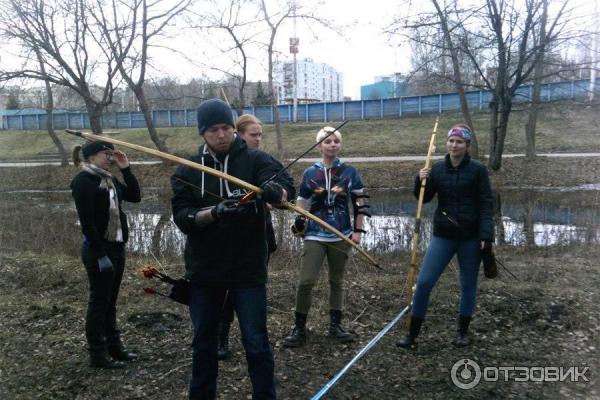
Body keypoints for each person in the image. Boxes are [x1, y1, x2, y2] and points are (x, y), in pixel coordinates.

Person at [170, 99, 294, 400]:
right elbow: (182, 217)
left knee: (255, 341)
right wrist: (213, 213)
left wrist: (277, 192)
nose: (222, 135)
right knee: (203, 343)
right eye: (214, 129)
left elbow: (284, 182)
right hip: (205, 270)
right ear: (203, 132)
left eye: (226, 127)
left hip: (247, 269)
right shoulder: (187, 169)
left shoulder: (253, 158)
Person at [396, 124, 494, 348]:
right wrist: (420, 180)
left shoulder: (478, 170)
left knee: (468, 284)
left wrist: (486, 236)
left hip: (470, 237)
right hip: (444, 235)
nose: (454, 145)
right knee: (424, 283)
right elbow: (425, 197)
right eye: (451, 140)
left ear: (467, 145)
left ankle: (462, 332)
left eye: (459, 142)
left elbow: (486, 203)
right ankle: (412, 335)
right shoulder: (438, 168)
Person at [283, 126, 370, 348]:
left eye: (336, 141)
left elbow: (360, 203)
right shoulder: (310, 173)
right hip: (315, 234)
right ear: (319, 146)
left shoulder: (350, 172)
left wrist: (358, 232)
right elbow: (302, 200)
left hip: (342, 234)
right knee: (306, 281)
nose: (332, 145)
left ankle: (335, 326)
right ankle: (299, 328)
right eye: (327, 141)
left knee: (337, 281)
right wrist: (299, 221)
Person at [70, 141, 141, 369]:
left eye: (111, 154)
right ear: (91, 157)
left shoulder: (109, 179)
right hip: (98, 249)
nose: (110, 158)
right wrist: (100, 255)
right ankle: (97, 354)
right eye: (106, 154)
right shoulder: (83, 181)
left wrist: (126, 168)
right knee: (99, 302)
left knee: (110, 302)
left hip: (117, 246)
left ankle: (115, 348)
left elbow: (135, 196)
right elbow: (88, 223)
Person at [214, 114, 276, 361]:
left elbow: (281, 190)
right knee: (227, 291)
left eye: (260, 134)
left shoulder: (261, 161)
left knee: (252, 290)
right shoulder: (223, 164)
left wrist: (274, 196)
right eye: (254, 134)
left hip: (258, 236)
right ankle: (222, 336)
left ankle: (253, 337)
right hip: (229, 239)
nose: (258, 139)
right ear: (238, 135)